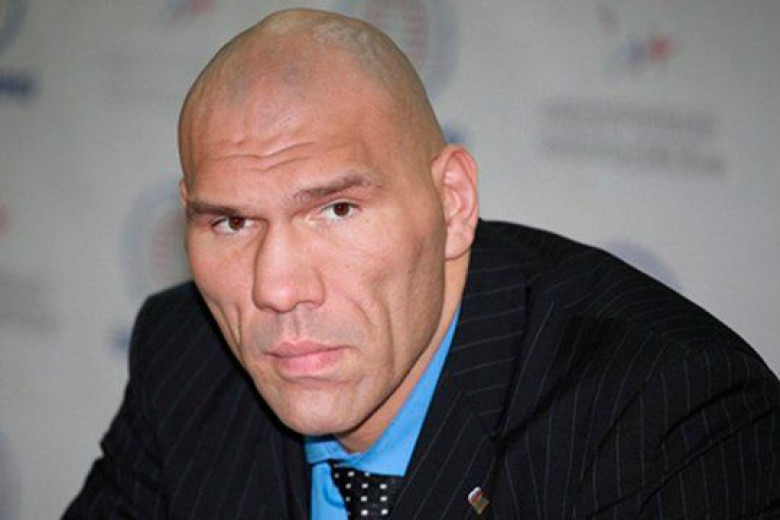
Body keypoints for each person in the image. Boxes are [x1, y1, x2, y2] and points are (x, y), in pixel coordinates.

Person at [65, 8, 780, 519]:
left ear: (452, 202)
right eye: (231, 221)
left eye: (337, 209)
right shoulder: (183, 354)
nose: (277, 287)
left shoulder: (667, 414)